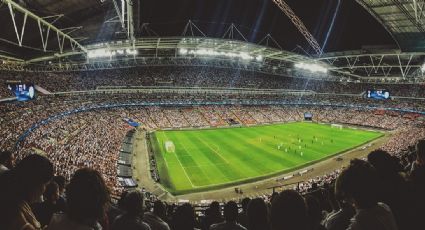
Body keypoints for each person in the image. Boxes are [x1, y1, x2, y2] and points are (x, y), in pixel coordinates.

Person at [336, 159, 398, 230]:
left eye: (345, 197)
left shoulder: (358, 225)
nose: (344, 201)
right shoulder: (384, 207)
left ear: (351, 197)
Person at [0, 154, 54, 230]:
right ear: (35, 184)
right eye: (45, 185)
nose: (44, 190)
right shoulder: (18, 219)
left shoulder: (13, 197)